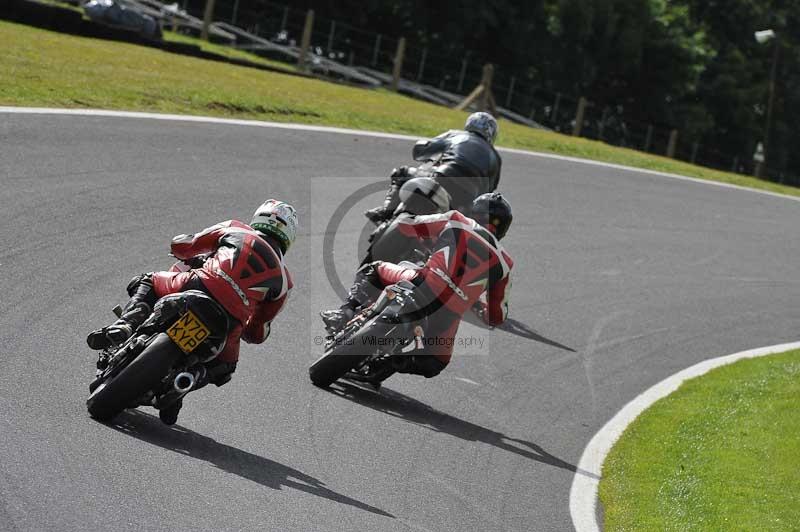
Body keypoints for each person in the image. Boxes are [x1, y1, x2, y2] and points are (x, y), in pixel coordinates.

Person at [86, 199, 298, 424]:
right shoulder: (285, 282)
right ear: (289, 237)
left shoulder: (236, 228)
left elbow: (184, 245)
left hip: (196, 284)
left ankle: (126, 324)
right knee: (226, 367)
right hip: (229, 322)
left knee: (147, 280)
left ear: (258, 218)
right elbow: (257, 332)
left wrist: (183, 249)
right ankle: (184, 381)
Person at [323, 192, 513, 385]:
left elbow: (409, 226)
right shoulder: (505, 263)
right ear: (503, 229)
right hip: (446, 316)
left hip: (421, 284)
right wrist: (475, 304)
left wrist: (409, 222)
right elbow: (497, 316)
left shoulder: (456, 219)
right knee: (436, 362)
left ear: (475, 211)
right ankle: (391, 363)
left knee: (373, 269)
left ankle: (344, 312)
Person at [365, 112, 502, 224]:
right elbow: (489, 192)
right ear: (491, 134)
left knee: (401, 173)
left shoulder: (456, 135)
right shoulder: (496, 158)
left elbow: (420, 150)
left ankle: (386, 211)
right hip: (467, 201)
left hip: (442, 179)